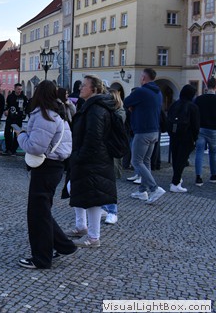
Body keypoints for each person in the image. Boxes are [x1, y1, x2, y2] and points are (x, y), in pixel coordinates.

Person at [16, 80, 75, 269]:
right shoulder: (58, 113)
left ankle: (42, 258)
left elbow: (35, 147)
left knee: (37, 213)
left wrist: (20, 135)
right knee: (42, 210)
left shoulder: (45, 116)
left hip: (46, 167)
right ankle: (63, 245)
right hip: (54, 166)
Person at [67, 75, 117, 248]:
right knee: (75, 188)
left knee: (92, 197)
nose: (80, 88)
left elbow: (93, 138)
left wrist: (79, 156)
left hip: (93, 160)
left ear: (94, 89)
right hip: (90, 158)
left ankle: (93, 237)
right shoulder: (91, 106)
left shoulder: (96, 109)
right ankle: (81, 226)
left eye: (84, 85)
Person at [123, 68, 166, 204]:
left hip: (143, 131)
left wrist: (133, 107)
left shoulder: (141, 91)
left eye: (141, 76)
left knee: (136, 161)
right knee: (146, 162)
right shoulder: (158, 92)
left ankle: (154, 188)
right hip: (154, 130)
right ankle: (142, 191)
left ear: (143, 78)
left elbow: (125, 102)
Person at [167, 84, 200, 192]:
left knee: (176, 158)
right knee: (182, 160)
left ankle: (176, 179)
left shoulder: (174, 104)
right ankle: (175, 182)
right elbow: (195, 125)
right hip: (187, 136)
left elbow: (168, 119)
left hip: (174, 134)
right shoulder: (193, 107)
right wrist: (195, 138)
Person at [101, 88, 126, 225]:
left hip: (112, 150)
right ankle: (104, 207)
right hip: (104, 150)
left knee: (110, 182)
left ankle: (112, 211)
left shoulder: (118, 113)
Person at [193, 77, 216, 186]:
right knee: (213, 152)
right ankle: (213, 175)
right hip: (214, 130)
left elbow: (195, 114)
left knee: (199, 152)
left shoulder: (199, 99)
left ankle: (198, 177)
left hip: (201, 128)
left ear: (207, 86)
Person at [4, 83, 28, 156]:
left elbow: (26, 107)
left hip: (18, 119)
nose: (19, 91)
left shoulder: (23, 97)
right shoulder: (10, 96)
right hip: (10, 118)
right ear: (15, 89)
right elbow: (7, 105)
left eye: (21, 89)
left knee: (17, 135)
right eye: (18, 89)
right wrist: (6, 110)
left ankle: (13, 150)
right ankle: (8, 149)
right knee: (7, 134)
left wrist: (24, 114)